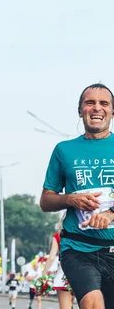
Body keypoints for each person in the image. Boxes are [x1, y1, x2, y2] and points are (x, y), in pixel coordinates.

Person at [40, 82, 114, 309]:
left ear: (112, 111)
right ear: (80, 110)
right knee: (92, 303)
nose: (96, 108)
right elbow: (46, 200)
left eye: (104, 103)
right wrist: (70, 199)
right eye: (89, 103)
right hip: (77, 247)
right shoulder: (64, 150)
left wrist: (110, 214)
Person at [42, 216, 75, 309]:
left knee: (65, 306)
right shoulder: (84, 234)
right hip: (84, 271)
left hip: (64, 272)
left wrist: (44, 273)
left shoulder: (58, 236)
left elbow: (52, 257)